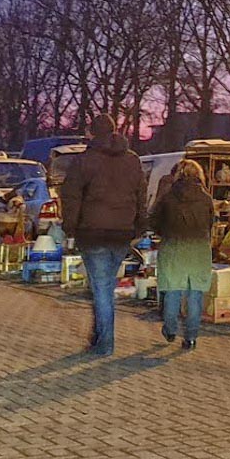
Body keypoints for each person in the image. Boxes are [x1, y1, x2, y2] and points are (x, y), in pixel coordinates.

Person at [59, 113, 148, 356]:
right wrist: (140, 225)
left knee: (102, 289)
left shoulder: (84, 161)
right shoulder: (132, 160)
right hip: (122, 232)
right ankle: (98, 336)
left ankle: (105, 343)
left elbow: (71, 197)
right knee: (104, 286)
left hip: (93, 232)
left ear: (92, 132)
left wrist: (70, 228)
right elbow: (141, 194)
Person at [150, 159, 214, 349]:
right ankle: (191, 337)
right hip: (199, 249)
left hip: (173, 247)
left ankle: (170, 330)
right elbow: (210, 223)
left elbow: (154, 222)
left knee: (172, 290)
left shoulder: (168, 198)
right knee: (195, 293)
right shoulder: (206, 198)